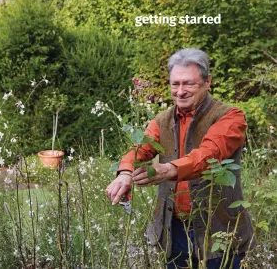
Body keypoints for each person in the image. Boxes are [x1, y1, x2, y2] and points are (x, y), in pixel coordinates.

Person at [105, 48, 256, 269]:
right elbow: (140, 150)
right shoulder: (161, 120)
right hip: (173, 230)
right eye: (175, 84)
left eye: (189, 84)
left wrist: (166, 170)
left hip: (220, 231)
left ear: (207, 82)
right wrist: (126, 172)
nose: (180, 91)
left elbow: (208, 155)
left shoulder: (230, 117)